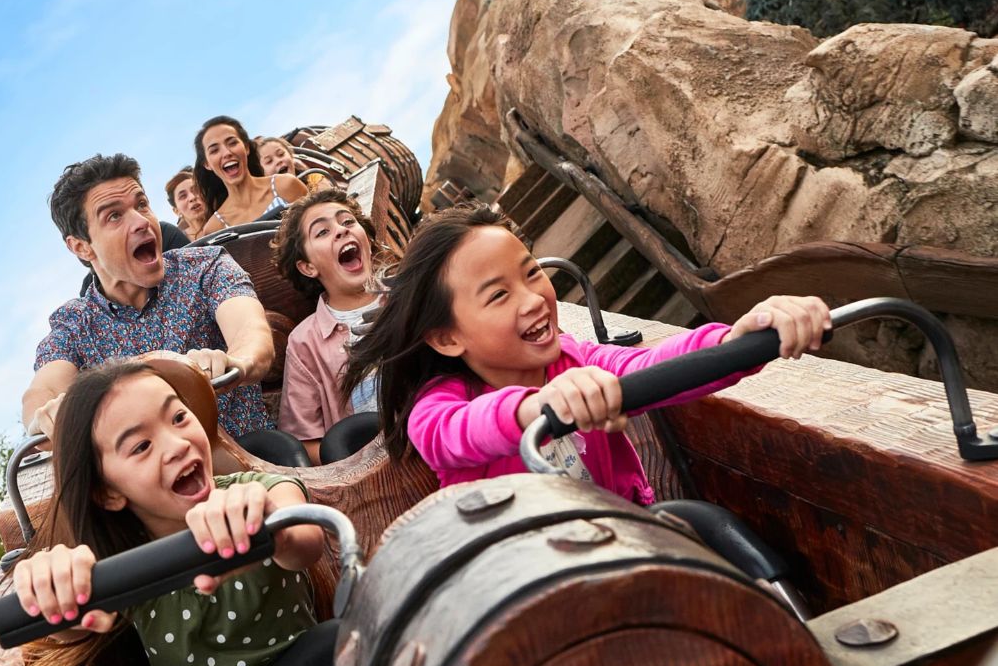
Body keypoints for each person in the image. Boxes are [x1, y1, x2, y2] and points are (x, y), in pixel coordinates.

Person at [0, 361, 335, 666]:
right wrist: (54, 588)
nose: (177, 444)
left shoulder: (258, 491)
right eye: (141, 446)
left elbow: (304, 538)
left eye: (178, 417)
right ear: (108, 492)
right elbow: (73, 629)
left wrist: (267, 523)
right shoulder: (120, 566)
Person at [342, 206, 832, 504]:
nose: (534, 299)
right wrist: (539, 406)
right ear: (448, 338)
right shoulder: (440, 408)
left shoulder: (575, 359)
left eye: (532, 273)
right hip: (535, 588)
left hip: (627, 536)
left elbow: (648, 365)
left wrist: (736, 340)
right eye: (499, 295)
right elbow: (453, 435)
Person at [24, 153, 276, 442]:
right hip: (152, 470)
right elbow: (42, 390)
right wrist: (47, 415)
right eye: (114, 216)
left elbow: (251, 332)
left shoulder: (206, 267)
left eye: (142, 204)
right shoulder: (74, 323)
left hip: (247, 451)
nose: (141, 222)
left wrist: (234, 361)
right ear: (81, 247)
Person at [271, 189, 382, 463]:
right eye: (322, 232)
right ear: (308, 267)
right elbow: (305, 440)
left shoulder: (411, 295)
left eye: (348, 221)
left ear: (367, 241)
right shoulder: (304, 342)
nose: (342, 230)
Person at [193, 116, 309, 231]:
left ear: (246, 147)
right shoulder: (215, 227)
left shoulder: (285, 185)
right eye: (214, 150)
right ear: (207, 164)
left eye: (232, 143)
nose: (226, 153)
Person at [256, 135, 330, 192]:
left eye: (281, 154)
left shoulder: (313, 178)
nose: (278, 161)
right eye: (269, 161)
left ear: (291, 156)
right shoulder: (270, 202)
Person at [165, 167, 210, 240]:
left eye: (196, 190)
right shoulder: (177, 241)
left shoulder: (225, 221)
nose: (192, 197)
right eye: (183, 196)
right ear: (176, 211)